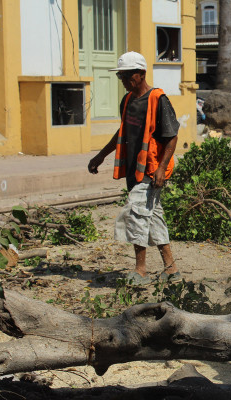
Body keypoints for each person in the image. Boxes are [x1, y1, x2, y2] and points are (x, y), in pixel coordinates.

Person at [88, 51, 181, 285]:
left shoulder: (158, 99)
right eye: (121, 77)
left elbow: (171, 137)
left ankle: (140, 271)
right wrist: (101, 155)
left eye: (126, 76)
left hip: (151, 171)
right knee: (153, 217)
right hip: (134, 170)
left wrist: (161, 169)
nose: (123, 81)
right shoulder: (128, 101)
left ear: (140, 75)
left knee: (136, 214)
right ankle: (171, 269)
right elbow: (122, 133)